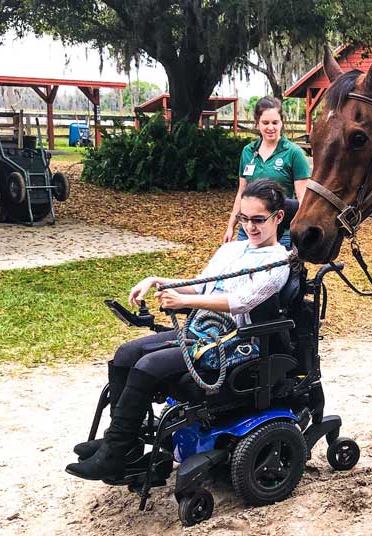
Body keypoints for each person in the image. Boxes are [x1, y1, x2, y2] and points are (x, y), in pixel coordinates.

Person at [67, 179, 292, 482]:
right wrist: (158, 280)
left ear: (278, 217)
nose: (250, 227)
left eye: (258, 220)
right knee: (126, 353)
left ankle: (114, 454)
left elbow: (242, 302)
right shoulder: (232, 250)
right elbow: (202, 282)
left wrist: (184, 300)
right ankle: (123, 445)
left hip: (233, 341)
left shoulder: (279, 260)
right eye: (243, 218)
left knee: (147, 364)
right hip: (203, 331)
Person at [224, 96, 311, 248]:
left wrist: (303, 230)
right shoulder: (248, 152)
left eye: (275, 122)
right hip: (248, 229)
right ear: (257, 123)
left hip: (280, 232)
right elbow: (241, 192)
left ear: (281, 123)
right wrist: (231, 225)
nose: (270, 127)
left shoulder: (294, 153)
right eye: (265, 123)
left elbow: (303, 198)